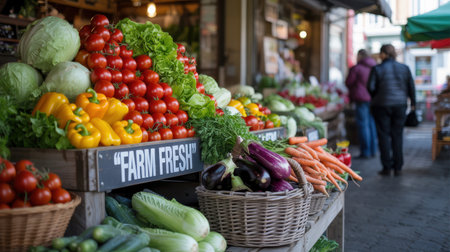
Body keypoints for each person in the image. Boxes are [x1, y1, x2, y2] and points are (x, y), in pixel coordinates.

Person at [368, 44, 416, 176]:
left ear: (384, 54)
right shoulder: (404, 68)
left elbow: (370, 87)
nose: (379, 56)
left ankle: (387, 167)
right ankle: (398, 167)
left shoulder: (377, 69)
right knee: (397, 135)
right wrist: (413, 103)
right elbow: (411, 86)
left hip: (381, 105)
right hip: (400, 105)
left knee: (383, 136)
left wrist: (377, 97)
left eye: (380, 53)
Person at [345, 49, 378, 159]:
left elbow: (348, 82)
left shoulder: (357, 68)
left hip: (361, 98)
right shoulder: (375, 67)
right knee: (371, 123)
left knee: (363, 125)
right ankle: (373, 150)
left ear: (360, 56)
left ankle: (365, 152)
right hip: (373, 99)